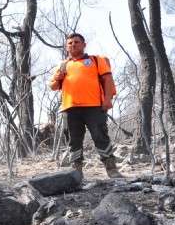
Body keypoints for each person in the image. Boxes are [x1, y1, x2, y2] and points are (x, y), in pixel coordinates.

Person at [49, 33, 123, 179]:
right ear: (66, 46)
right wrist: (57, 79)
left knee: (100, 136)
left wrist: (107, 99)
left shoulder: (95, 60)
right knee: (73, 140)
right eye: (70, 43)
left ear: (84, 45)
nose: (73, 45)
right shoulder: (62, 65)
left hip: (94, 107)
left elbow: (107, 79)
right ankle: (76, 173)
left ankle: (112, 170)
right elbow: (53, 86)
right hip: (70, 109)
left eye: (76, 42)